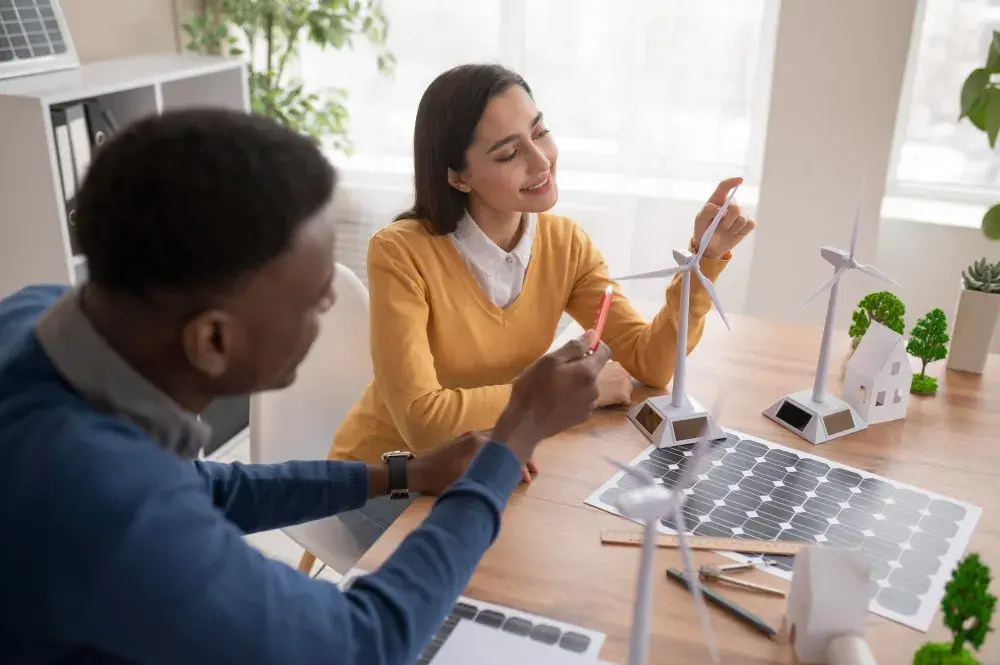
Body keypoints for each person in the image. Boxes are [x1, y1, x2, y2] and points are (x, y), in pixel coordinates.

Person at [0, 108, 612, 665]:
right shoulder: (99, 502)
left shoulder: (41, 319)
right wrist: (512, 438)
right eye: (312, 297)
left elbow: (202, 486)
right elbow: (363, 643)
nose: (330, 305)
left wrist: (405, 473)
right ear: (213, 340)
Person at [314, 63, 757, 564]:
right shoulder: (400, 253)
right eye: (509, 153)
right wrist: (554, 397)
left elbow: (651, 363)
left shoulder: (565, 244)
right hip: (387, 479)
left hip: (487, 461)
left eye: (540, 131)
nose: (541, 159)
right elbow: (425, 423)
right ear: (458, 176)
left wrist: (705, 257)